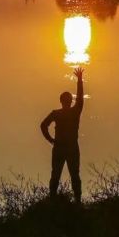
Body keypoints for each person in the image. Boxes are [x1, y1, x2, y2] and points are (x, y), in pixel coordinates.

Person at [40, 66, 84, 202]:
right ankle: (77, 201)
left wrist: (51, 140)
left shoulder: (59, 113)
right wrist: (79, 80)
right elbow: (80, 99)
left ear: (61, 101)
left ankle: (54, 200)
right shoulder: (73, 112)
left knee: (57, 176)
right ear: (69, 101)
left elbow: (43, 125)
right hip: (67, 147)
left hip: (62, 147)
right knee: (72, 175)